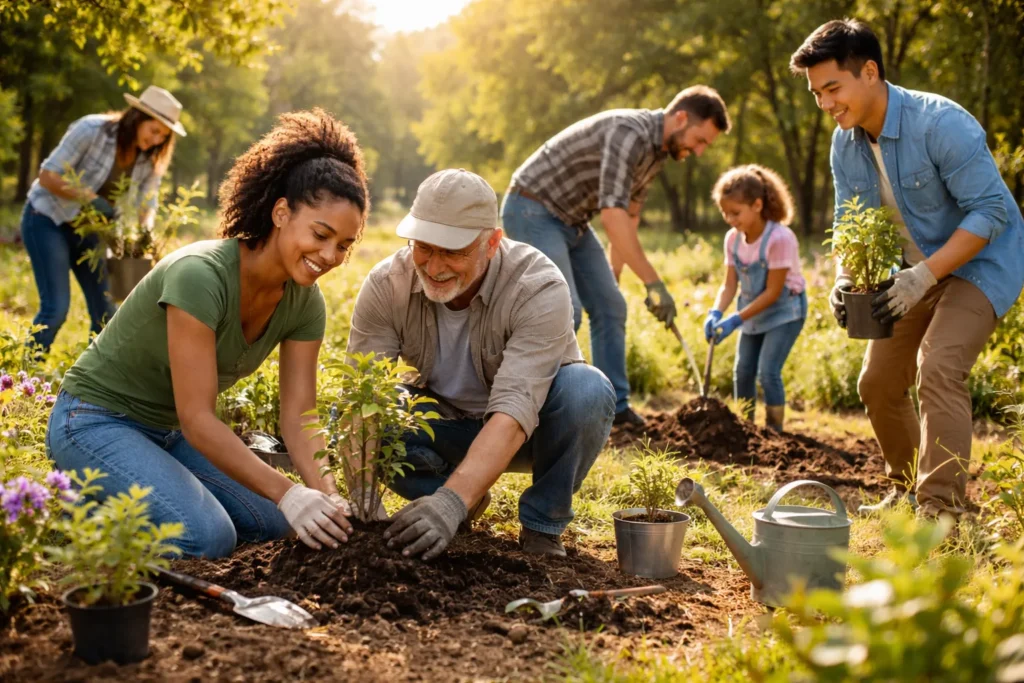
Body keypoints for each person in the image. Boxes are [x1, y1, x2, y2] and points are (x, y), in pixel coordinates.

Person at [46, 109, 368, 557]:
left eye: (344, 246)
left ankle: (141, 486)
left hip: (168, 433)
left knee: (276, 523)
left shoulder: (304, 303)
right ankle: (78, 503)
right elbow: (198, 418)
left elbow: (299, 418)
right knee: (207, 536)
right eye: (321, 234)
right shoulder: (200, 275)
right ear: (280, 213)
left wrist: (327, 496)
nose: (330, 255)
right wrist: (289, 491)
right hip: (95, 420)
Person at [790, 19, 1024, 517]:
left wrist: (923, 276)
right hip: (910, 275)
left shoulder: (941, 123)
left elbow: (990, 212)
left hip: (979, 264)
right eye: (816, 93)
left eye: (833, 87)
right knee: (876, 383)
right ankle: (907, 487)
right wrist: (846, 277)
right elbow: (848, 221)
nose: (825, 103)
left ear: (869, 71)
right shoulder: (844, 143)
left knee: (938, 367)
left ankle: (942, 509)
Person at [347, 168, 616, 559]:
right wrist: (361, 496)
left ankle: (541, 525)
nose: (434, 266)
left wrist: (448, 504)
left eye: (453, 251)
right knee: (373, 409)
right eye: (423, 246)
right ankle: (461, 498)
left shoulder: (537, 285)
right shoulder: (388, 283)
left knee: (586, 391)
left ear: (491, 243)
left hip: (533, 432)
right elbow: (363, 394)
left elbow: (514, 409)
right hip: (444, 423)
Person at [500, 87, 731, 427]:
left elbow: (629, 215)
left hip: (573, 220)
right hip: (532, 208)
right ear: (681, 117)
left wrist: (614, 273)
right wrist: (654, 282)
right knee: (565, 310)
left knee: (611, 305)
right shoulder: (629, 133)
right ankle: (527, 408)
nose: (697, 151)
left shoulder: (658, 152)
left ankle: (614, 410)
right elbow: (611, 215)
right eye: (699, 140)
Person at [22, 85, 185, 353]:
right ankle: (23, 372)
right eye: (154, 130)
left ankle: (92, 380)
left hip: (92, 233)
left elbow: (147, 205)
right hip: (47, 219)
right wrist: (88, 197)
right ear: (137, 117)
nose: (157, 140)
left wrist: (146, 237)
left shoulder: (149, 161)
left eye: (163, 137)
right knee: (56, 308)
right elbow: (47, 175)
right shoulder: (91, 130)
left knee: (107, 314)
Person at [704, 165, 807, 432]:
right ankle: (743, 430)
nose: (729, 218)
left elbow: (773, 293)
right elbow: (729, 285)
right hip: (751, 310)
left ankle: (774, 433)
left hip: (785, 311)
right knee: (743, 371)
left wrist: (735, 320)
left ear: (757, 205)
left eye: (735, 212)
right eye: (724, 212)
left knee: (768, 372)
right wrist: (715, 312)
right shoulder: (733, 239)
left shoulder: (780, 238)